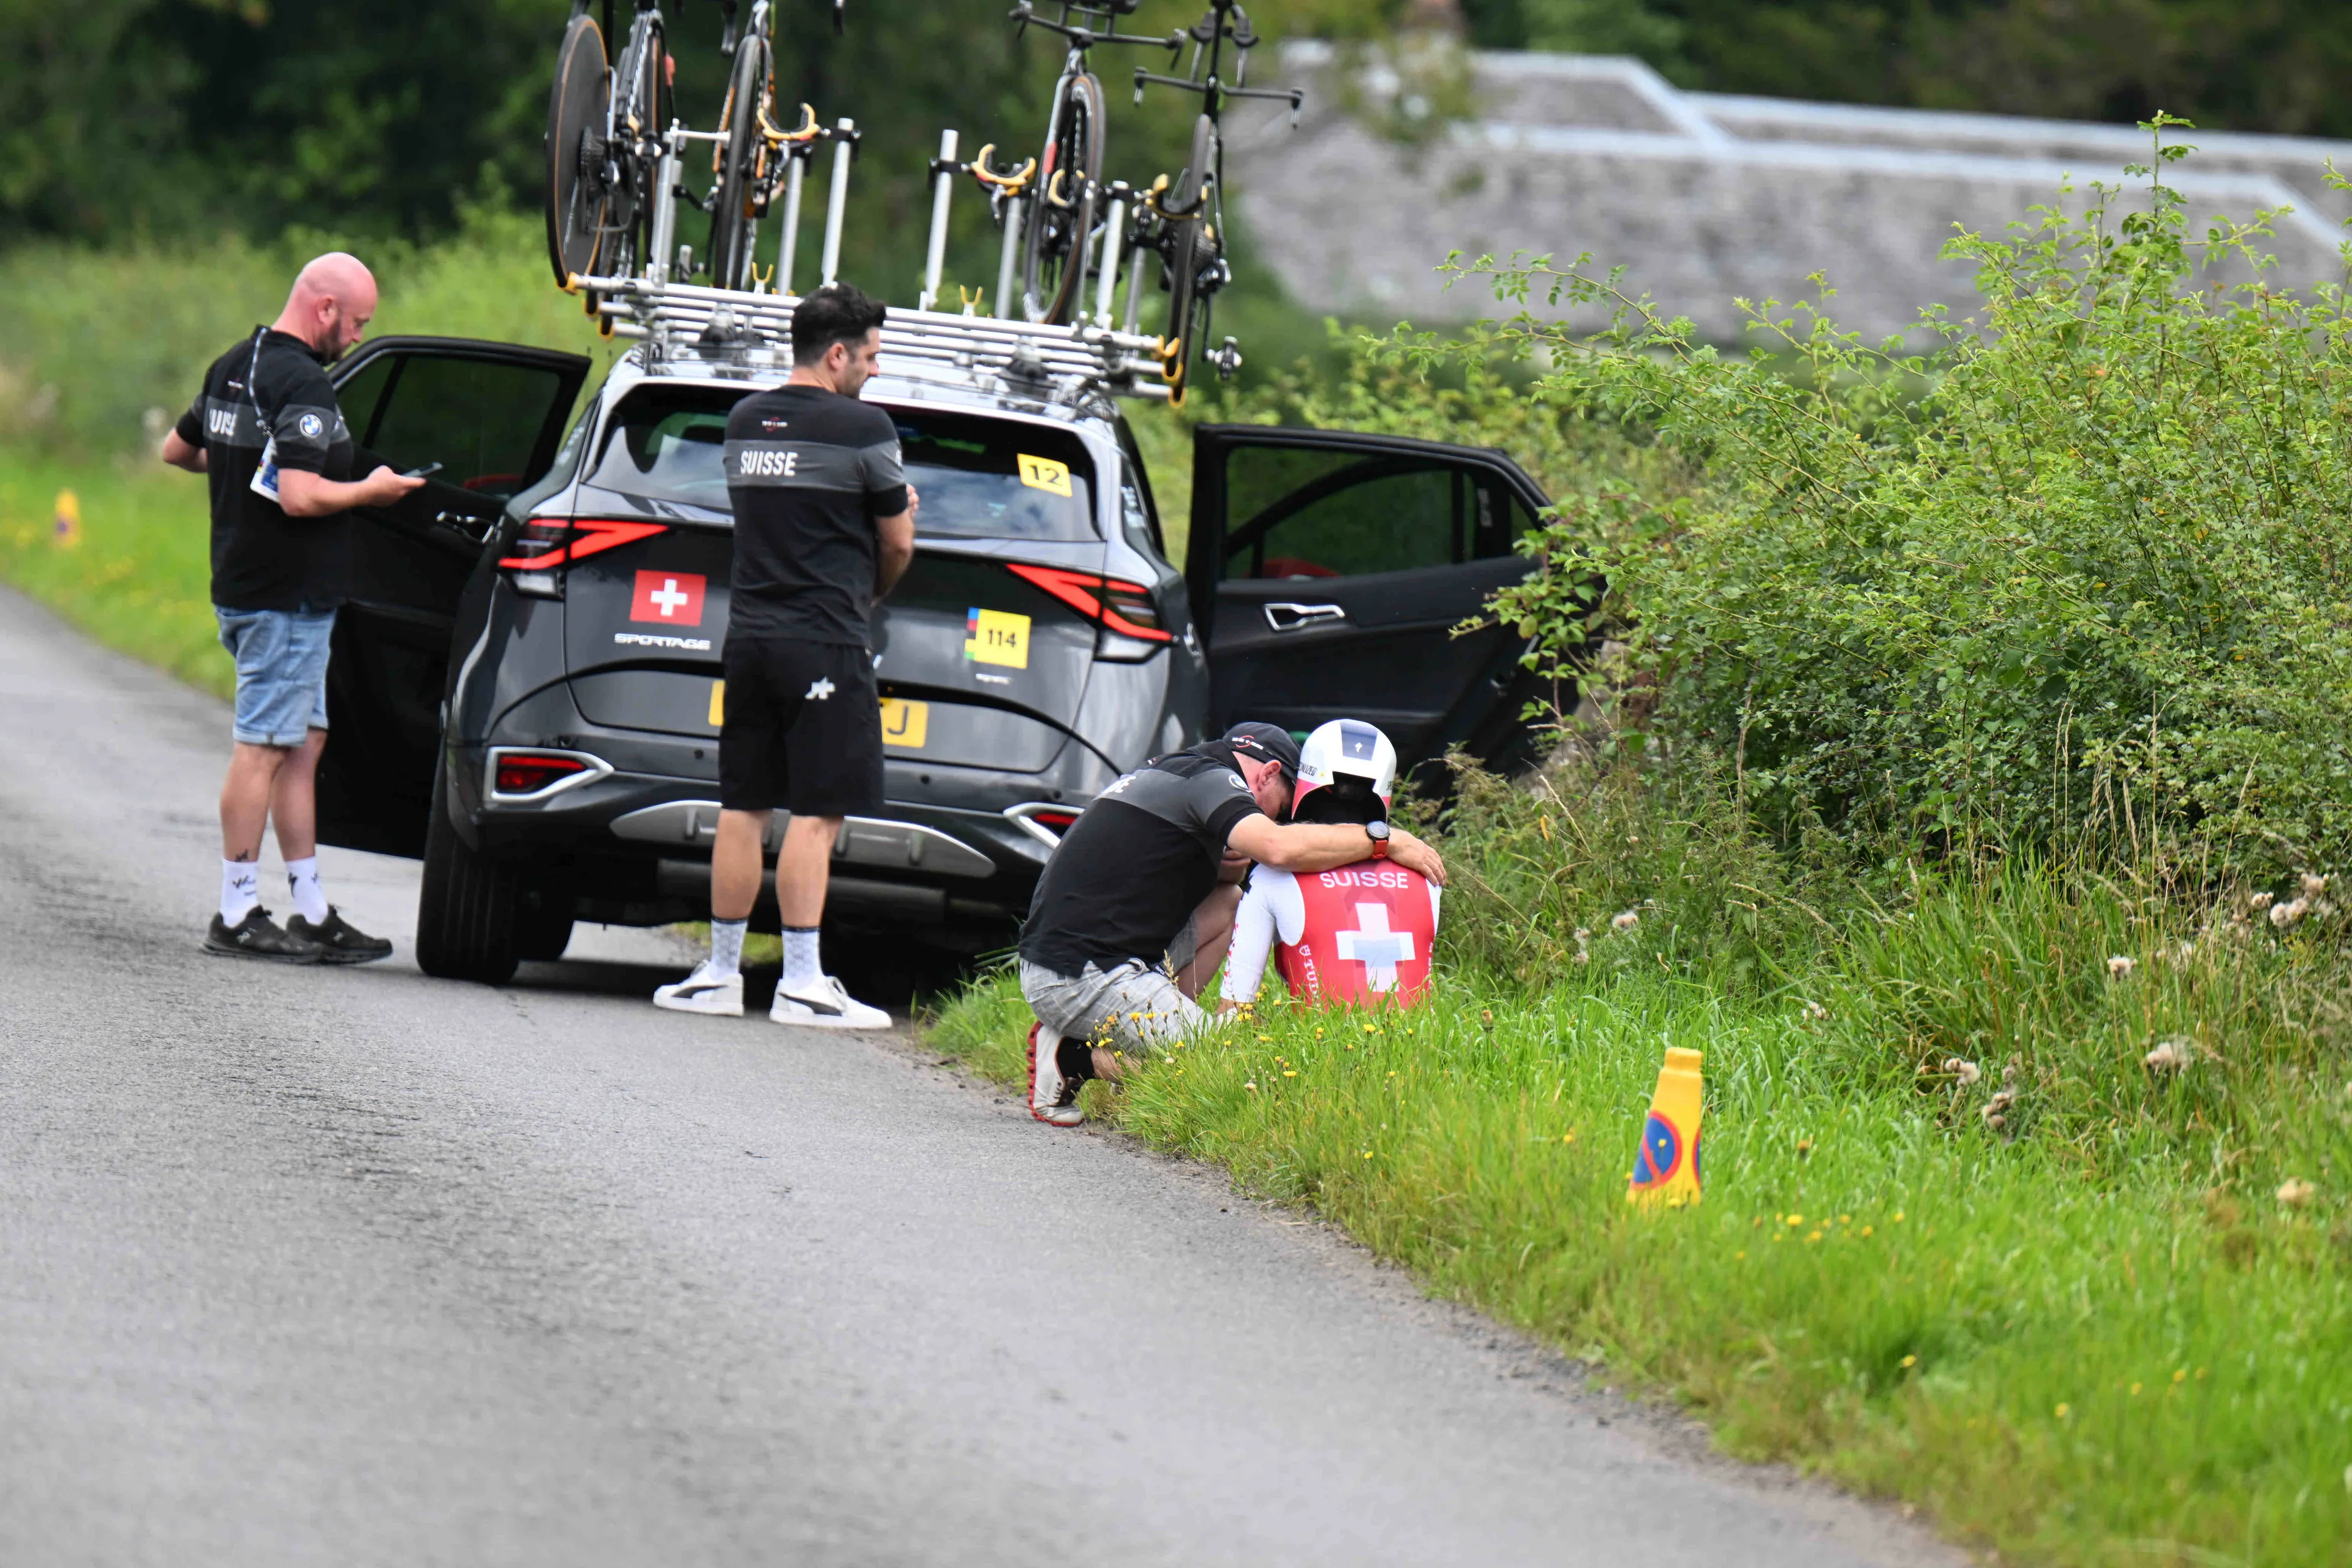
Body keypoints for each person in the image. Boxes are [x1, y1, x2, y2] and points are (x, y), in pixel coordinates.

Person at [654, 282, 918, 1027]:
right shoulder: (864, 428)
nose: (872, 371)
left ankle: (720, 974)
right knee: (817, 811)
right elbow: (896, 540)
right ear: (836, 353)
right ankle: (802, 981)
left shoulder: (743, 420)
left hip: (750, 638)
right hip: (826, 638)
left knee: (742, 804)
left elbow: (785, 514)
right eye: (868, 356)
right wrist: (870, 586)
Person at [161, 253, 420, 962]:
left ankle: (310, 908)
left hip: (249, 587)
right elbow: (303, 496)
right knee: (264, 746)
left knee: (302, 747)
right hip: (285, 598)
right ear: (326, 309)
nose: (361, 336)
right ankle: (236, 909)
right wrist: (374, 489)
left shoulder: (231, 364)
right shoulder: (302, 379)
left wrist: (244, 460)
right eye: (359, 322)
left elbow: (177, 450)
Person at [1017, 722, 1449, 1126]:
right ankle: (1070, 1058)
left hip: (1081, 957)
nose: (1278, 819)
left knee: (1228, 902)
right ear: (1268, 774)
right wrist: (1384, 840)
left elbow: (1212, 878)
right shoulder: (1211, 781)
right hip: (1080, 974)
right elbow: (1278, 848)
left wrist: (1233, 859)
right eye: (1281, 808)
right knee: (1221, 1066)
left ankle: (1168, 1025)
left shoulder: (1176, 772)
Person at [1220, 720, 1439, 1011]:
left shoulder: (1271, 875)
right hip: (1415, 1047)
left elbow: (1235, 1008)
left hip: (1321, 1049)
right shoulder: (1425, 871)